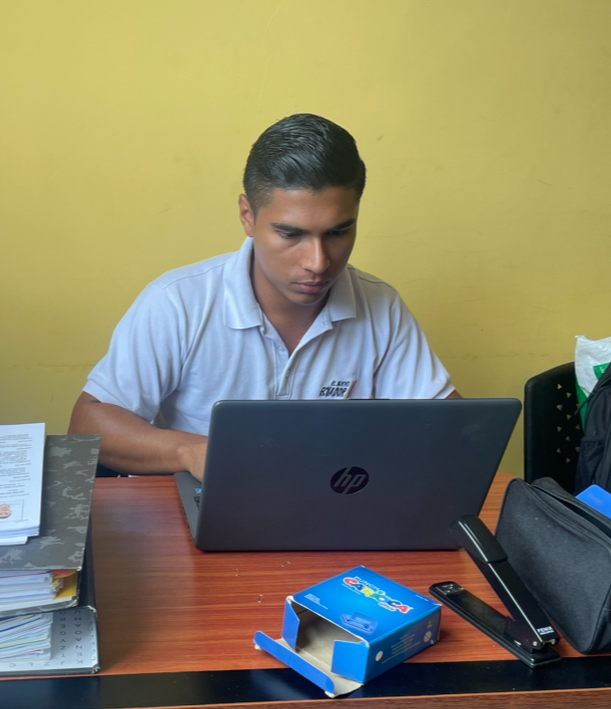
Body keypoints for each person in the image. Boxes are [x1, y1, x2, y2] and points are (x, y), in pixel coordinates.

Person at [69, 113, 458, 481]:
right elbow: (88, 424)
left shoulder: (380, 306)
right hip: (205, 506)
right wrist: (195, 452)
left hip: (334, 506)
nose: (318, 262)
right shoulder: (178, 303)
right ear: (247, 216)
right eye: (291, 234)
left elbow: (456, 429)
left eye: (338, 232)